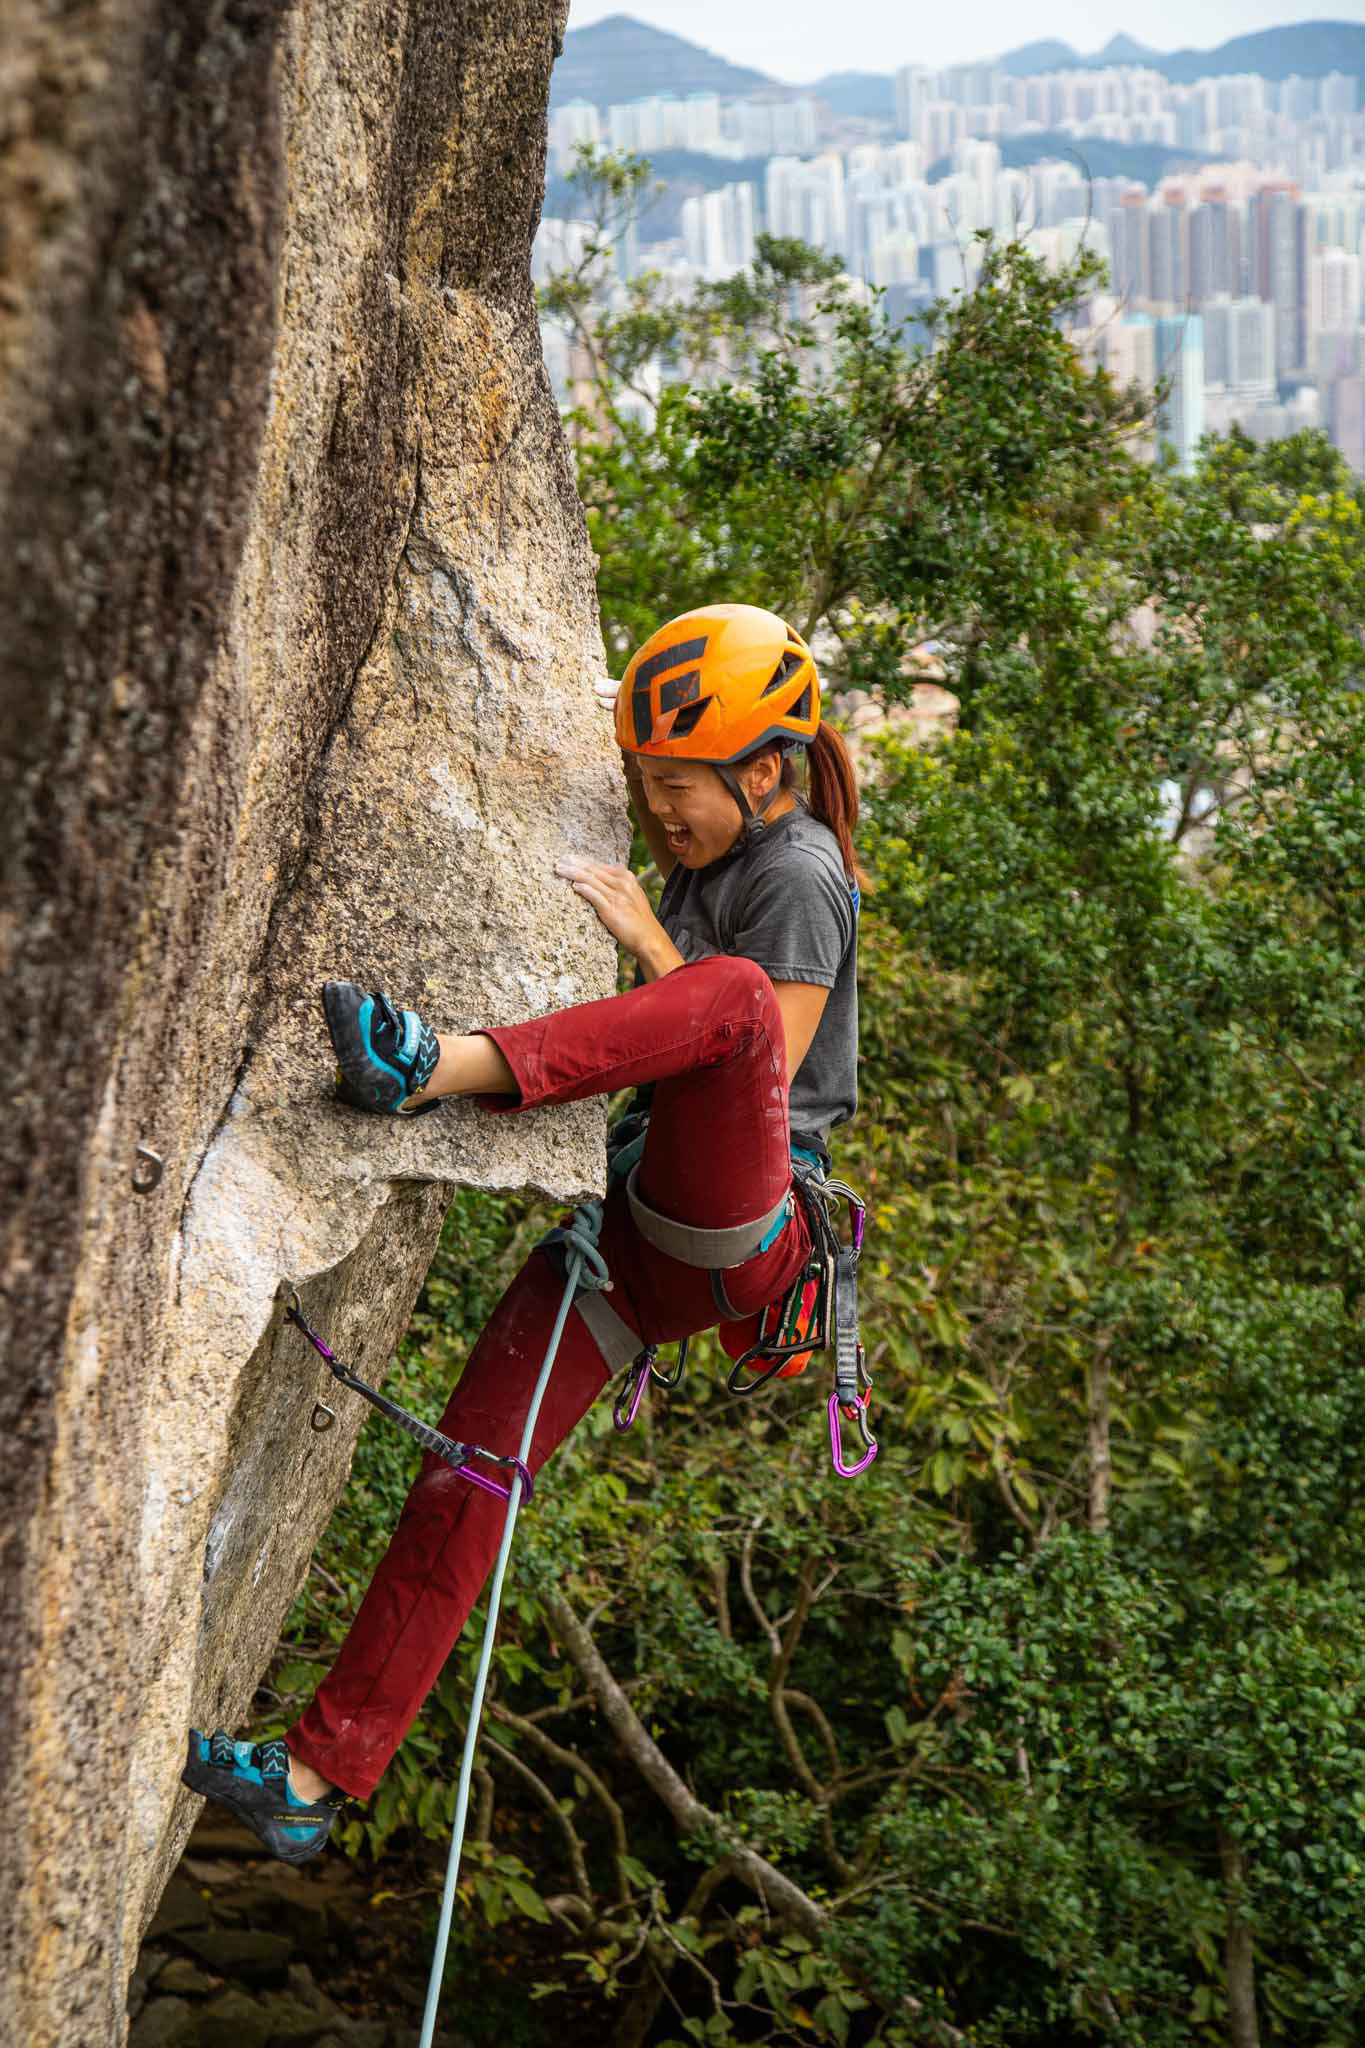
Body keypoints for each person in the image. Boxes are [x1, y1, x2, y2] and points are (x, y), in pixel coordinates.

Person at [182, 602, 863, 1861]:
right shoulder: (718, 840)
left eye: (682, 786)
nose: (660, 811)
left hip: (742, 1218)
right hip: (637, 1239)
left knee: (724, 997)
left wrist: (655, 945)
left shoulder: (801, 871)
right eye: (645, 783)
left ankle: (427, 1065)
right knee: (469, 1467)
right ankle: (315, 1782)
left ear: (766, 769)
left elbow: (767, 1047)